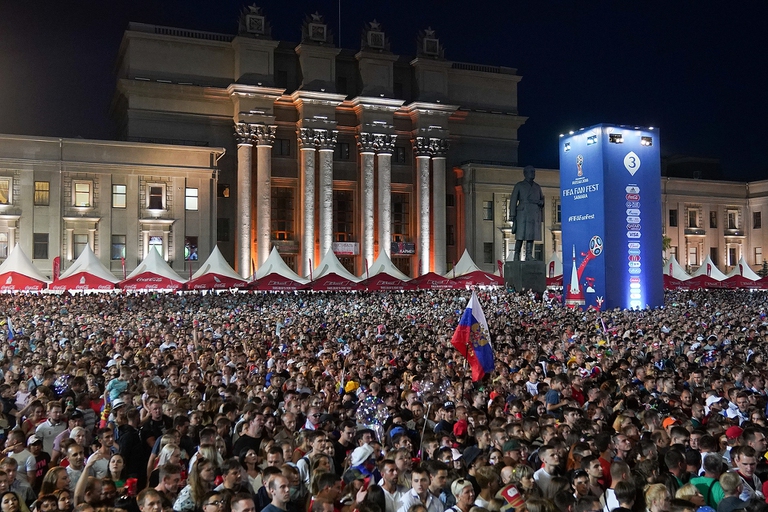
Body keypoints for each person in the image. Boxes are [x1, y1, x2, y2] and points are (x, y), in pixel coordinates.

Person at [508, 165, 544, 261]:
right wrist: (512, 214)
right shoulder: (519, 185)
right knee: (520, 235)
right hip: (522, 213)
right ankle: (517, 254)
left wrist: (541, 203)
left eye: (534, 172)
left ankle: (528, 255)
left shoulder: (537, 187)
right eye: (531, 172)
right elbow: (513, 200)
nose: (533, 174)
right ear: (525, 173)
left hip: (533, 213)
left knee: (530, 235)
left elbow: (542, 199)